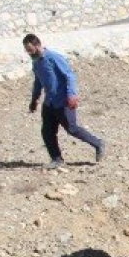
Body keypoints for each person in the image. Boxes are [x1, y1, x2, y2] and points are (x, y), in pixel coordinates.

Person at [23, 33, 105, 169]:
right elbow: (38, 81)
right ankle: (56, 159)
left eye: (30, 50)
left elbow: (69, 75)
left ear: (37, 45)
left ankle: (98, 143)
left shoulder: (53, 57)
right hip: (49, 102)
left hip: (63, 100)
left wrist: (72, 95)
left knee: (72, 128)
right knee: (47, 132)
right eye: (27, 51)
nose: (29, 53)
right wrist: (34, 99)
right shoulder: (36, 62)